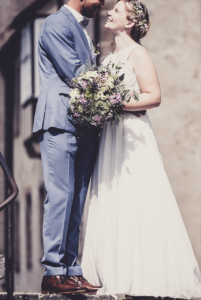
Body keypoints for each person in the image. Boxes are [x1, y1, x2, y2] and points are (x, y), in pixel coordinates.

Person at [81, 1, 201, 299]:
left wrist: (116, 103)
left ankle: (146, 273)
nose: (110, 12)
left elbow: (154, 97)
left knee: (137, 194)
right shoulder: (109, 56)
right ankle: (114, 272)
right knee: (111, 195)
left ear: (129, 22)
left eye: (116, 10)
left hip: (131, 135)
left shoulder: (137, 54)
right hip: (110, 134)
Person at [33, 0, 106, 295]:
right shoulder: (55, 24)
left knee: (77, 198)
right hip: (60, 120)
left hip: (84, 124)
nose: (102, 2)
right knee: (60, 195)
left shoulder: (82, 28)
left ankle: (71, 270)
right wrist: (114, 89)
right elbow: (76, 74)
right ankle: (53, 271)